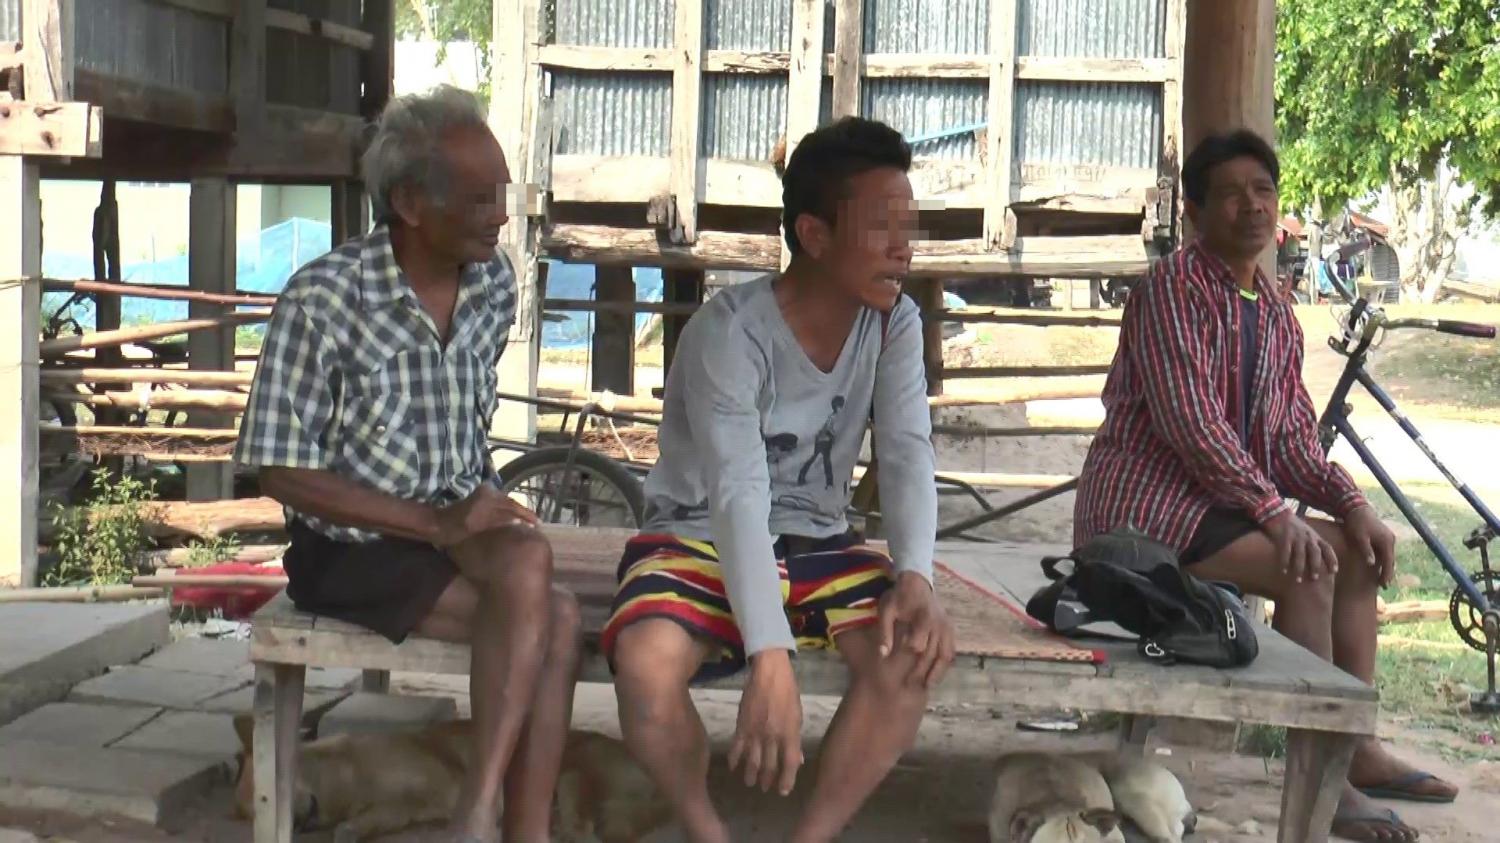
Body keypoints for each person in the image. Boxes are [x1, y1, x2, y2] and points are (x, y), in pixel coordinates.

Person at [1074, 129, 1457, 843]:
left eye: (1263, 190)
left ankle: (1355, 746)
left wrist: (1352, 504)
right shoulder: (1171, 292)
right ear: (1194, 213)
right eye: (1230, 194)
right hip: (1140, 515)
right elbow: (1193, 426)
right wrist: (1276, 514)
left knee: (1355, 551)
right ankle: (1322, 782)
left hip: (1216, 510)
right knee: (1306, 563)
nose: (1252, 206)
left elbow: (1288, 440)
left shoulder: (1276, 311)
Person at [235, 85, 581, 843]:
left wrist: (458, 517)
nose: (501, 215)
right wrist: (432, 521)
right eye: (481, 199)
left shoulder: (494, 285)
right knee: (554, 621)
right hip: (351, 546)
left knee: (532, 567)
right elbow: (278, 471)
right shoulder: (323, 300)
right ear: (410, 203)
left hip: (458, 521)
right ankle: (497, 818)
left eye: (503, 194)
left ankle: (488, 815)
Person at [600, 116, 956, 843]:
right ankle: (708, 832)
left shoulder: (893, 324)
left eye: (908, 226)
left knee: (909, 657)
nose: (904, 248)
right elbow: (736, 492)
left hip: (818, 541)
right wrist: (769, 654)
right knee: (644, 667)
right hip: (698, 532)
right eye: (883, 227)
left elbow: (907, 452)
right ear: (814, 235)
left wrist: (916, 577)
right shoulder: (730, 332)